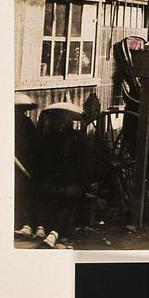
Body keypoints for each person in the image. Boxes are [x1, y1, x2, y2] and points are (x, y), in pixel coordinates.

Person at [34, 99, 90, 249]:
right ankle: (44, 229)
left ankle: (53, 233)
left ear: (68, 121)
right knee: (50, 199)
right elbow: (44, 162)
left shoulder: (76, 139)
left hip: (69, 181)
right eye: (58, 121)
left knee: (64, 202)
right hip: (60, 180)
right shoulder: (51, 138)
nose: (60, 123)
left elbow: (81, 164)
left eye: (62, 121)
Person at [13, 93, 40, 240]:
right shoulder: (25, 122)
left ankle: (25, 222)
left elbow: (34, 143)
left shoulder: (25, 123)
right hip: (20, 160)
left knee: (23, 191)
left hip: (24, 161)